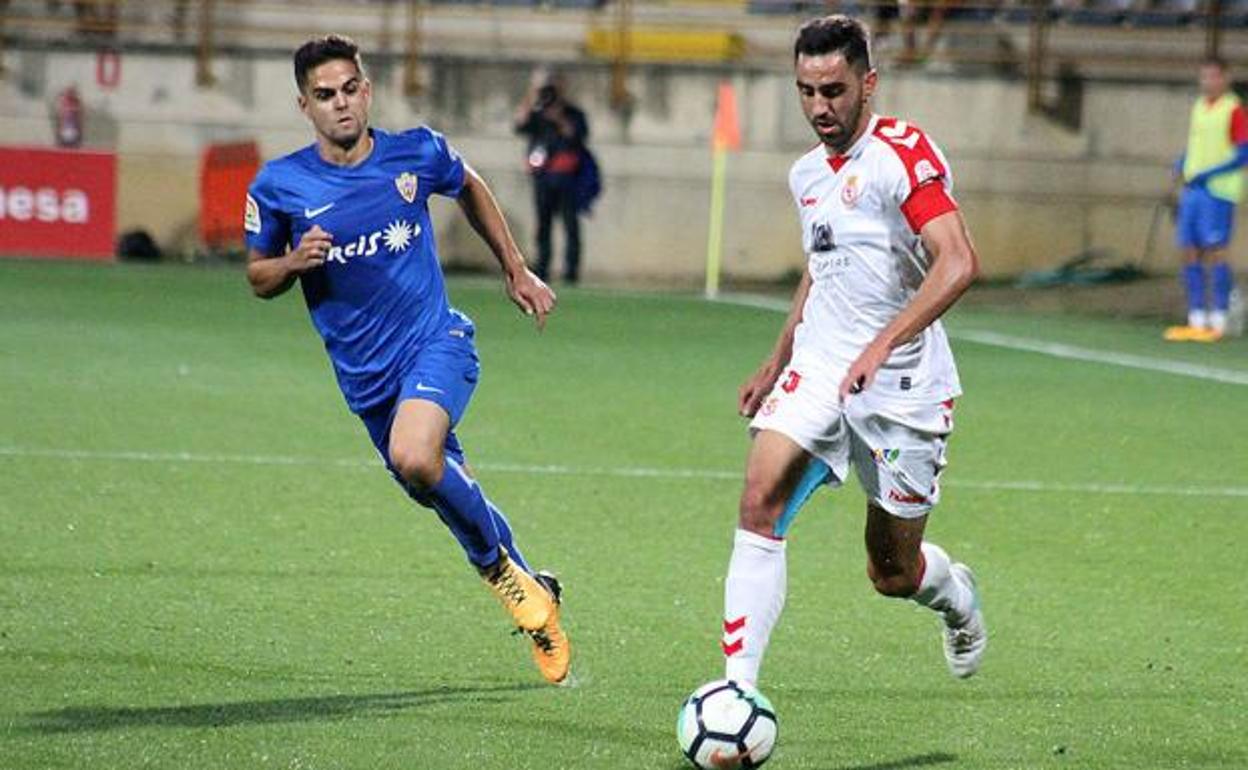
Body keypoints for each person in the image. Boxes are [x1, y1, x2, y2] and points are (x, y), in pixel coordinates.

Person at [243, 35, 570, 684]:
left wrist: (515, 267)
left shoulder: (414, 153)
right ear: (304, 106)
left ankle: (503, 576)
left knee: (416, 457)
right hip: (367, 384)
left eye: (349, 89)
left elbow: (468, 183)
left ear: (366, 91)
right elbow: (258, 276)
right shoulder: (279, 186)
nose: (341, 104)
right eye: (324, 95)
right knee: (439, 487)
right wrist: (293, 262)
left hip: (437, 343)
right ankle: (536, 596)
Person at [719, 15, 987, 690]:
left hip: (901, 386)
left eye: (833, 90)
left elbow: (958, 262)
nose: (819, 107)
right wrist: (778, 359)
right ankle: (737, 689)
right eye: (806, 91)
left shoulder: (902, 154)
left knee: (891, 572)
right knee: (759, 499)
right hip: (819, 368)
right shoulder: (806, 175)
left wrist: (882, 344)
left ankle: (956, 597)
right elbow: (822, 266)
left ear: (868, 84)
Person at [1164, 57, 1245, 343]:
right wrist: (1182, 162)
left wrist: (1209, 173)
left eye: (1213, 77)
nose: (1208, 82)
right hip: (1193, 190)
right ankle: (1196, 316)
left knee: (1215, 250)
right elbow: (1197, 145)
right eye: (1204, 77)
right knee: (1189, 249)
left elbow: (1243, 153)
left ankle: (1220, 315)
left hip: (1218, 190)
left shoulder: (1233, 109)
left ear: (1225, 78)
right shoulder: (1199, 107)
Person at [513, 69, 591, 285]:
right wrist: (531, 94)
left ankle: (571, 271)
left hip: (567, 178)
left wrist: (559, 118)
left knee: (570, 225)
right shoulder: (537, 111)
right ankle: (542, 268)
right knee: (543, 225)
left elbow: (577, 135)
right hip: (543, 177)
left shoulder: (573, 113)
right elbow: (519, 125)